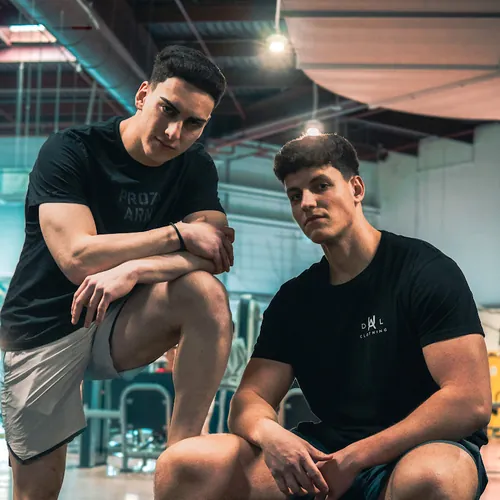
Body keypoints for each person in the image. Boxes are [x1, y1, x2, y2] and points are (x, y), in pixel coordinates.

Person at [154, 133, 492, 500]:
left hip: (420, 446)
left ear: (356, 188)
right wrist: (273, 436)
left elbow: (469, 400)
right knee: (182, 465)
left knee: (434, 478)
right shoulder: (294, 300)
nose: (307, 203)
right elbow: (249, 399)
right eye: (295, 195)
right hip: (328, 453)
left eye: (320, 186)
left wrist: (357, 458)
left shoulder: (424, 271)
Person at [0, 45, 235, 499]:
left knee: (204, 293)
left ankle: (181, 468)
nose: (175, 132)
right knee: (35, 494)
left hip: (122, 321)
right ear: (143, 95)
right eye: (168, 110)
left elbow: (216, 252)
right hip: (44, 327)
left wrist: (134, 270)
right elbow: (78, 258)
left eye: (193, 123)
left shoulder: (195, 166)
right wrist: (178, 235)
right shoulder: (71, 150)